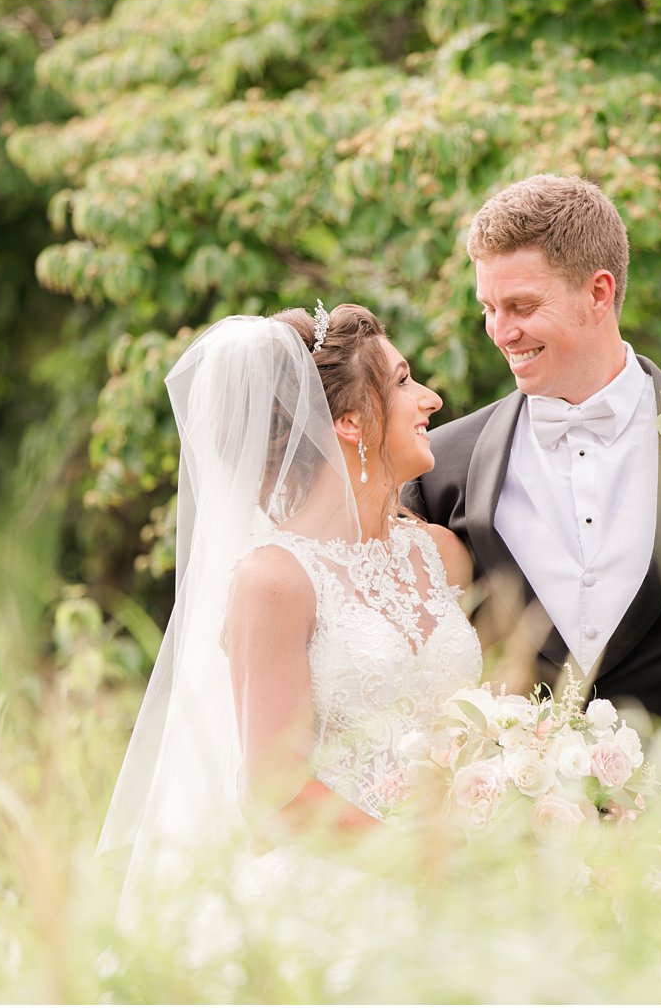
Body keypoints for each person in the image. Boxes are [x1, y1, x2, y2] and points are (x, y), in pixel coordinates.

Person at [409, 175, 661, 771]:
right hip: (511, 850)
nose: (501, 332)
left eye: (522, 307)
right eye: (489, 309)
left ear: (598, 293)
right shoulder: (441, 467)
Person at [98, 305, 481, 924]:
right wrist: (428, 863)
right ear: (352, 422)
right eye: (405, 381)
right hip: (340, 904)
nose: (431, 398)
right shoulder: (274, 579)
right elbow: (274, 795)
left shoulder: (439, 554)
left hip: (463, 895)